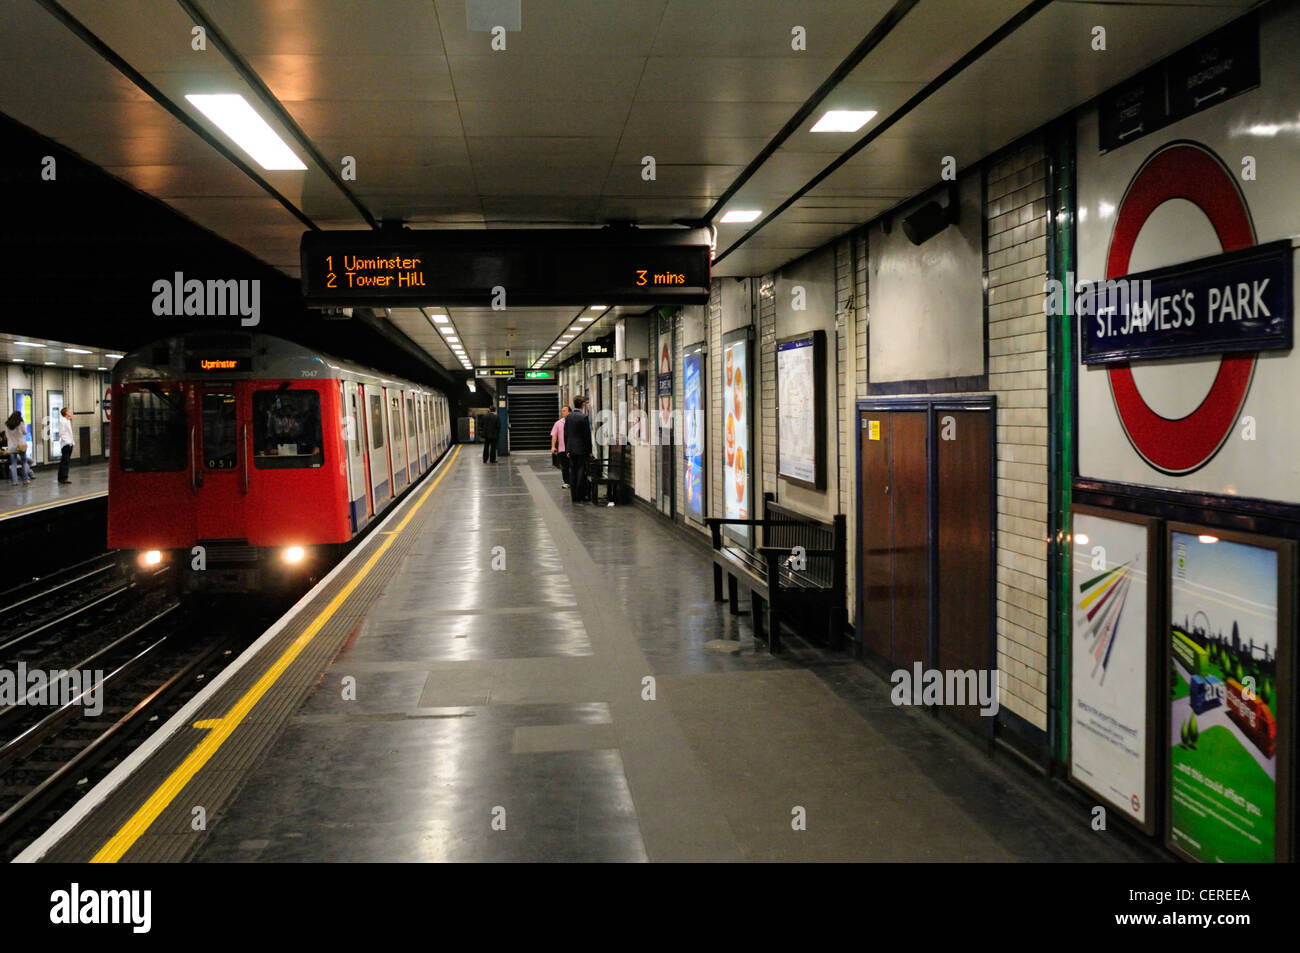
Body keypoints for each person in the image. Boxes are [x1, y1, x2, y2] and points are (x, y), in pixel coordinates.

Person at [563, 396, 593, 504]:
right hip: (581, 449)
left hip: (571, 448)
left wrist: (567, 449)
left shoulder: (568, 417)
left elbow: (566, 434)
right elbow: (587, 436)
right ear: (582, 404)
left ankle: (574, 496)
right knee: (581, 471)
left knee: (573, 471)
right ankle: (580, 495)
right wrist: (589, 450)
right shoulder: (583, 417)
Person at [4, 411, 32, 486]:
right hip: (21, 445)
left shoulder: (7, 424)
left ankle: (15, 481)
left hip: (12, 446)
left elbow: (6, 435)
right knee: (24, 462)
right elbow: (25, 432)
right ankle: (25, 480)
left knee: (13, 464)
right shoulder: (21, 423)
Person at [550, 405, 571, 488]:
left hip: (572, 449)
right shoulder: (558, 423)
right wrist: (553, 446)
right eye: (562, 411)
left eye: (564, 410)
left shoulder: (573, 422)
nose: (562, 412)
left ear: (570, 412)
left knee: (573, 466)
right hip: (562, 449)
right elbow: (554, 436)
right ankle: (567, 482)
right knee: (565, 467)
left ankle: (574, 481)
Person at [58, 406, 74, 484]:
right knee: (65, 461)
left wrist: (71, 442)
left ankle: (61, 477)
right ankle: (64, 477)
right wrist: (67, 441)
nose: (70, 412)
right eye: (69, 411)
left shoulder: (68, 421)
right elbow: (61, 433)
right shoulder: (63, 421)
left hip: (70, 443)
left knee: (65, 461)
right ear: (66, 413)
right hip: (65, 444)